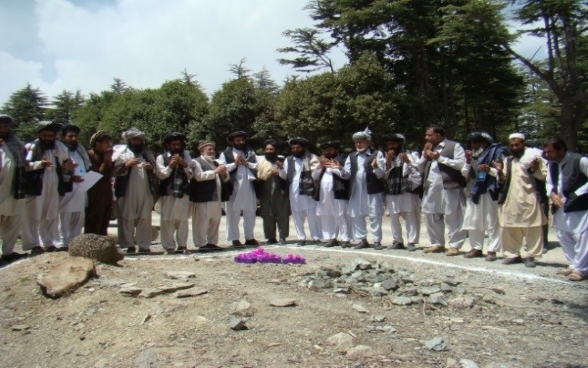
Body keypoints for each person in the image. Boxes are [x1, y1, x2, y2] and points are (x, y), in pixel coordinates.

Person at [495, 133, 547, 267]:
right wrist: (499, 172)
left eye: (517, 144)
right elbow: (502, 179)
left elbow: (543, 176)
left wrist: (534, 169)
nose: (514, 147)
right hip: (511, 198)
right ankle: (513, 254)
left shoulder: (534, 158)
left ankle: (531, 255)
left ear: (523, 144)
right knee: (509, 227)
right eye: (512, 145)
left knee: (532, 228)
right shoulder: (508, 160)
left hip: (530, 196)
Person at [22, 121, 74, 254]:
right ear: (40, 135)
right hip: (37, 185)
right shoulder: (32, 147)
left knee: (50, 214)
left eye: (50, 136)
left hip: (54, 184)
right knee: (33, 215)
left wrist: (67, 167)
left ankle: (48, 242)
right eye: (45, 135)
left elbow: (65, 161)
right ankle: (33, 244)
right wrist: (40, 164)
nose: (48, 138)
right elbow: (26, 166)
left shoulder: (58, 147)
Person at [417, 125, 467, 256]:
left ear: (438, 135)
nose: (426, 137)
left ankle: (454, 245)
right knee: (432, 215)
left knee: (453, 216)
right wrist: (424, 154)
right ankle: (437, 243)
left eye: (429, 135)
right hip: (431, 187)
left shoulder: (454, 146)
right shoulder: (428, 148)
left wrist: (439, 158)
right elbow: (419, 167)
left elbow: (460, 164)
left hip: (450, 186)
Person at [544, 137, 588, 281]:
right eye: (546, 151)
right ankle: (573, 264)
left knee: (582, 237)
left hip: (580, 206)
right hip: (561, 206)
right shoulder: (552, 164)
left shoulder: (579, 161)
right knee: (564, 236)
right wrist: (551, 194)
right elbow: (549, 182)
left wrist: (576, 194)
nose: (548, 154)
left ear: (561, 149)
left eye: (551, 151)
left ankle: (582, 269)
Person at [461, 132, 506, 261]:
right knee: (473, 220)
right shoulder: (471, 156)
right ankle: (476, 247)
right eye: (472, 143)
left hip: (489, 190)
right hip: (473, 191)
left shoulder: (495, 153)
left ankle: (492, 250)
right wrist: (468, 161)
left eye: (476, 142)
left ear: (484, 143)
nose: (473, 145)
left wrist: (489, 170)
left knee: (491, 220)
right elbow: (465, 173)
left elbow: (502, 173)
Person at [339, 128, 386, 250]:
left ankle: (376, 241)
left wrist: (375, 167)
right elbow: (347, 174)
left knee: (375, 215)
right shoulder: (351, 156)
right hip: (356, 190)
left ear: (367, 142)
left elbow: (381, 174)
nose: (359, 144)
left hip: (372, 189)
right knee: (357, 215)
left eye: (361, 142)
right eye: (357, 142)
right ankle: (362, 239)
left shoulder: (377, 154)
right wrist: (340, 169)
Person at [113, 127, 158, 253]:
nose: (137, 142)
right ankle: (129, 245)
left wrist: (150, 168)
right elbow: (114, 171)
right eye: (134, 139)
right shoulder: (121, 152)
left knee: (144, 217)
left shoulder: (146, 153)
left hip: (145, 190)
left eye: (138, 139)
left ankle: (144, 245)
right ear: (129, 140)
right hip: (127, 190)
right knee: (127, 217)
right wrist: (127, 165)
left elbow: (156, 170)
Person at [217, 131, 259, 247]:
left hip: (248, 184)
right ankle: (234, 238)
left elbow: (257, 165)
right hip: (233, 185)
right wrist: (235, 164)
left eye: (242, 140)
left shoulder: (250, 152)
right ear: (232, 142)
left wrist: (247, 164)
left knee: (250, 211)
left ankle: (249, 237)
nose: (241, 142)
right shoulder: (226, 154)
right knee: (233, 213)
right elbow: (222, 168)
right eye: (238, 140)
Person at [278, 137, 321, 246]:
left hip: (309, 188)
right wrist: (281, 169)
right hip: (294, 189)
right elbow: (284, 176)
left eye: (298, 148)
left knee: (312, 214)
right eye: (293, 148)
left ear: (303, 148)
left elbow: (316, 174)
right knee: (297, 214)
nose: (295, 150)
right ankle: (301, 238)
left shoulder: (312, 157)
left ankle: (316, 237)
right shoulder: (289, 159)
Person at [382, 133, 421, 251]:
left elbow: (417, 170)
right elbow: (383, 175)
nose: (391, 146)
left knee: (410, 215)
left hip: (406, 189)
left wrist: (408, 161)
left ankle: (411, 242)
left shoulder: (410, 154)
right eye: (389, 144)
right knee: (393, 216)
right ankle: (397, 240)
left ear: (399, 144)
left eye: (393, 144)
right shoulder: (386, 157)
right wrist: (388, 161)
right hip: (392, 189)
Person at [156, 132, 192, 254]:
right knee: (167, 220)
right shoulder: (161, 157)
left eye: (178, 144)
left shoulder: (186, 157)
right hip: (168, 192)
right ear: (168, 145)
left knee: (182, 220)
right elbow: (161, 175)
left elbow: (191, 174)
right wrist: (171, 165)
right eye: (173, 144)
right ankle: (169, 246)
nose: (176, 147)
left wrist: (184, 164)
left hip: (183, 192)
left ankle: (182, 245)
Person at [190, 141, 229, 250]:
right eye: (209, 149)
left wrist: (224, 174)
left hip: (216, 197)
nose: (212, 152)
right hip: (203, 197)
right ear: (202, 151)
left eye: (213, 149)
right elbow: (198, 176)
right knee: (201, 222)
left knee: (215, 220)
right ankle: (201, 244)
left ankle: (212, 242)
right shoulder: (196, 162)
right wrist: (215, 172)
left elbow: (225, 178)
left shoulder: (216, 163)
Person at [312, 140, 351, 247]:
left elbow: (346, 176)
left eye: (330, 150)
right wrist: (320, 166)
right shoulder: (323, 163)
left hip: (339, 192)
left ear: (336, 150)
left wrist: (335, 167)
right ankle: (332, 238)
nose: (327, 152)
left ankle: (346, 239)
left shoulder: (343, 159)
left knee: (342, 215)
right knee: (327, 215)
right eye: (326, 150)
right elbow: (315, 176)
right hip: (324, 194)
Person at [59, 124, 90, 249]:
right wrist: (70, 178)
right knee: (64, 216)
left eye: (75, 136)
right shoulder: (59, 150)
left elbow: (86, 167)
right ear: (63, 137)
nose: (73, 139)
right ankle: (62, 243)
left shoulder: (80, 150)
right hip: (66, 189)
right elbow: (55, 171)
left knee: (78, 216)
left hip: (81, 188)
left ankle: (75, 243)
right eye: (70, 136)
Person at [0, 114, 26, 262]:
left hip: (14, 189)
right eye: (0, 126)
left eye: (5, 126)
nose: (3, 129)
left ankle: (8, 252)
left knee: (13, 221)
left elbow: (23, 163)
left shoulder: (16, 142)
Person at [256, 139, 289, 245]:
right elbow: (258, 176)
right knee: (267, 215)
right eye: (267, 149)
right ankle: (271, 237)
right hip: (265, 191)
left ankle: (282, 236)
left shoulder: (283, 161)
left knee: (282, 214)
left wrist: (279, 171)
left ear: (277, 150)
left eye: (271, 149)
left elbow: (288, 175)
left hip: (280, 191)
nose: (269, 151)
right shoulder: (260, 162)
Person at [85, 131, 114, 236]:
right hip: (94, 192)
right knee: (94, 217)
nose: (108, 145)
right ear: (97, 144)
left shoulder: (105, 156)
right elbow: (95, 175)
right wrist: (105, 162)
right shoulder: (89, 156)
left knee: (105, 218)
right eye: (106, 143)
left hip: (106, 191)